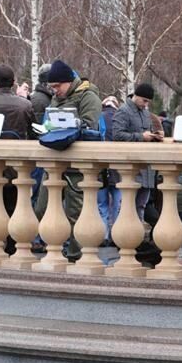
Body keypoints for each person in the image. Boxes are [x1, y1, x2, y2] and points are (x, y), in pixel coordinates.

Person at [39, 60, 102, 260]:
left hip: (77, 165)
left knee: (76, 213)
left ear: (69, 81)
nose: (55, 91)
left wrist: (72, 125)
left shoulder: (88, 96)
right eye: (52, 87)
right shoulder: (57, 97)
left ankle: (76, 255)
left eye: (58, 86)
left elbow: (90, 127)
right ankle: (55, 249)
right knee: (42, 209)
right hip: (55, 161)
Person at [112, 82, 162, 220]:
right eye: (144, 100)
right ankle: (123, 238)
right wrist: (141, 136)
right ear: (136, 96)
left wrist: (155, 136)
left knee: (141, 206)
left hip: (146, 168)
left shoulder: (146, 113)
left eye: (148, 102)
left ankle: (137, 238)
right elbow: (116, 135)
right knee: (126, 206)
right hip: (130, 167)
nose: (146, 104)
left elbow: (148, 133)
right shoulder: (123, 111)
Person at [97, 96, 121, 246]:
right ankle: (117, 236)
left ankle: (104, 236)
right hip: (118, 170)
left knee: (102, 206)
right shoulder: (121, 118)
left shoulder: (98, 117)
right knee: (118, 206)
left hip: (100, 169)